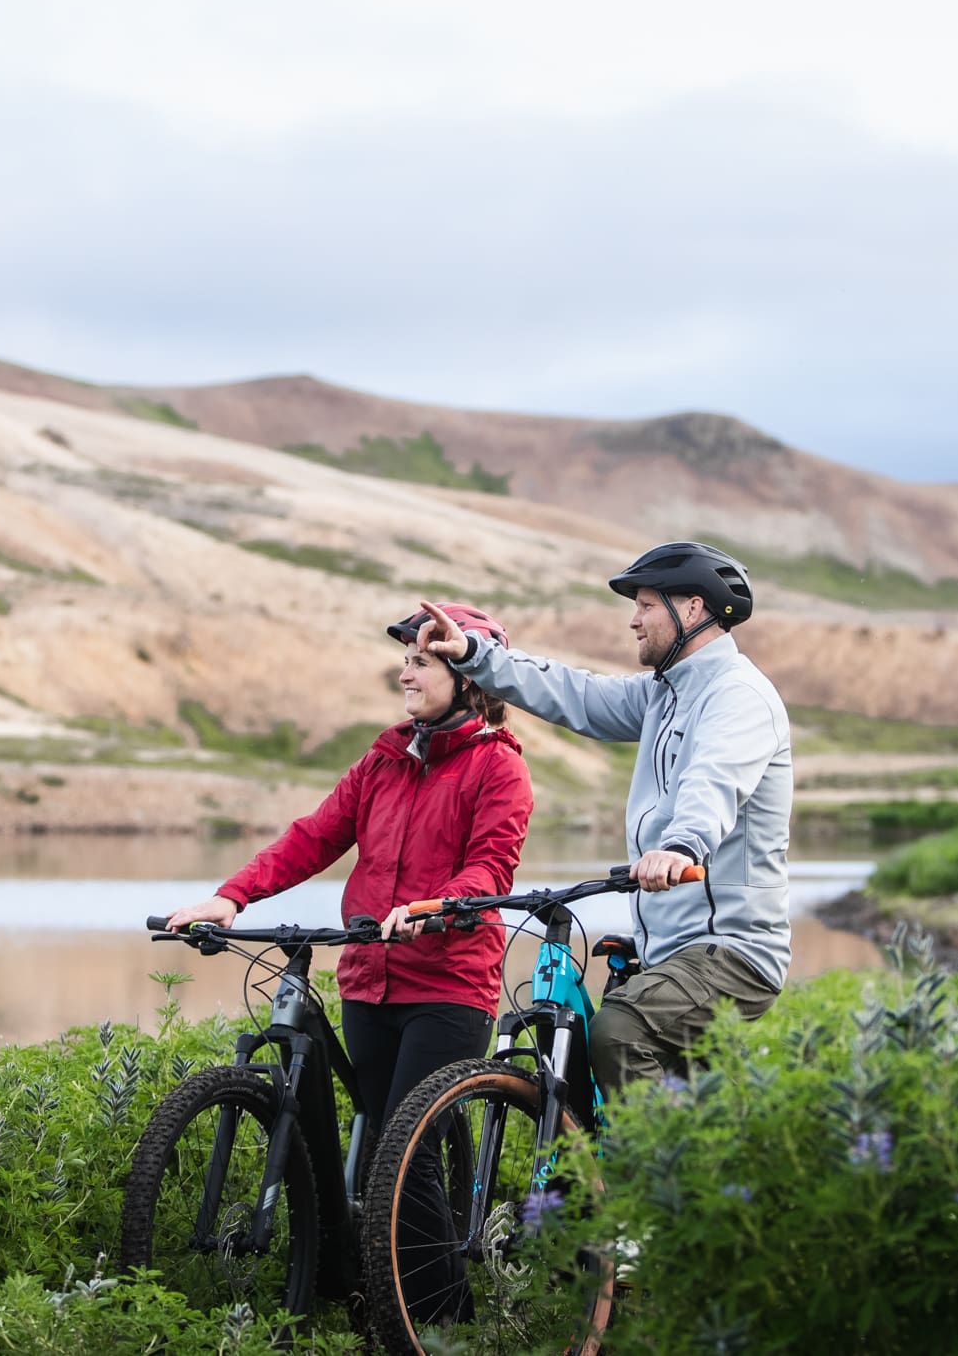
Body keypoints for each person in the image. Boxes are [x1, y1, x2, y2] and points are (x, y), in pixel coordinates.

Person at [164, 602, 533, 1320]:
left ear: (467, 676)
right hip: (370, 979)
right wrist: (230, 896)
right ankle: (359, 1290)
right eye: (406, 659)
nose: (405, 670)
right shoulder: (383, 759)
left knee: (406, 1152)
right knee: (375, 1150)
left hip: (449, 985)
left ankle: (440, 1323)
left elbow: (491, 869)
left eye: (422, 660)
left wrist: (432, 906)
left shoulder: (499, 769)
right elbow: (314, 836)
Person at [403, 541, 791, 1097]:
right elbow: (573, 693)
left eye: (646, 605)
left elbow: (715, 780)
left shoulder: (738, 696)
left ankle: (650, 1181)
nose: (633, 620)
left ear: (692, 609)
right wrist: (474, 654)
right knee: (634, 1069)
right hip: (671, 948)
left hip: (731, 950)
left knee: (618, 1030)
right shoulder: (665, 694)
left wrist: (681, 847)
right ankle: (647, 1170)